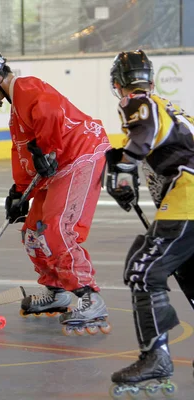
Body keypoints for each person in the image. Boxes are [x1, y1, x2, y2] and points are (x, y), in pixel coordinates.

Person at [0, 45, 112, 335]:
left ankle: (89, 297)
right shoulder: (15, 112)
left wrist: (49, 150)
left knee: (57, 228)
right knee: (33, 232)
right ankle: (56, 292)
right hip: (60, 163)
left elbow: (51, 117)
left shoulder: (26, 88)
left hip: (80, 156)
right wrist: (20, 194)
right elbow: (25, 154)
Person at [107, 50, 193, 395]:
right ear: (152, 79)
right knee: (186, 270)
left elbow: (143, 133)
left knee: (144, 269)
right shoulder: (169, 105)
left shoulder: (136, 101)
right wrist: (131, 178)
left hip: (188, 201)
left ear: (118, 85)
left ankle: (155, 356)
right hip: (185, 199)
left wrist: (123, 166)